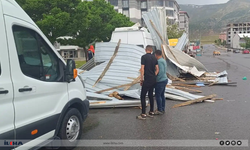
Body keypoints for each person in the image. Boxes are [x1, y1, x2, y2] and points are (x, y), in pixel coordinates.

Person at [137, 45, 159, 120]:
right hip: (153, 79)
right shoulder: (154, 58)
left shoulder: (144, 57)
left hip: (147, 79)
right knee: (150, 95)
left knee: (142, 95)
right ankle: (151, 111)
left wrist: (141, 79)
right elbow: (157, 69)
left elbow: (142, 69)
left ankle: (143, 113)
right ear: (152, 50)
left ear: (145, 49)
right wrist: (154, 75)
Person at [154, 50, 168, 115]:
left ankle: (160, 109)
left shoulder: (159, 62)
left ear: (156, 55)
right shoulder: (163, 60)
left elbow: (160, 71)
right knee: (162, 95)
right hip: (164, 79)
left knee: (158, 95)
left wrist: (156, 79)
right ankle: (162, 108)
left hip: (161, 80)